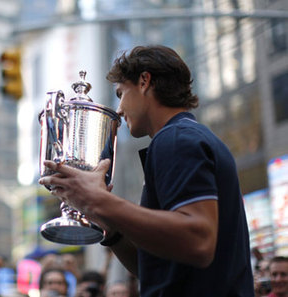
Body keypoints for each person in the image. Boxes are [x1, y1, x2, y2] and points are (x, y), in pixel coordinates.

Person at [38, 45, 254, 296]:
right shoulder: (181, 137)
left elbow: (199, 241)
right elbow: (154, 268)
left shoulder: (176, 139)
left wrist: (98, 200)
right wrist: (107, 221)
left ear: (144, 81)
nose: (118, 109)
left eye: (121, 93)